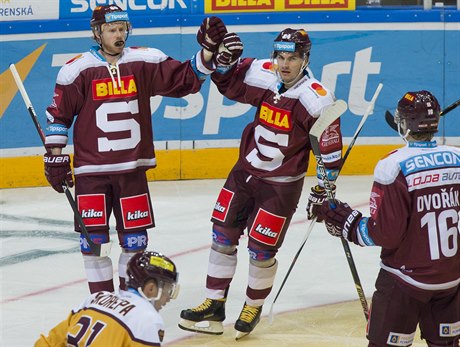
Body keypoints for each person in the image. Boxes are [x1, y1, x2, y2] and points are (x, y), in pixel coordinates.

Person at [42, 5, 227, 293]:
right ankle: (101, 302)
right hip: (91, 174)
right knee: (94, 245)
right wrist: (54, 158)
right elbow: (59, 116)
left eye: (122, 29)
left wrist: (207, 51)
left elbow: (184, 79)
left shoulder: (144, 60)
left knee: (135, 242)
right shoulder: (76, 69)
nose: (119, 35)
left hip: (132, 172)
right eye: (112, 30)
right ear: (97, 32)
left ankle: (128, 303)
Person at [179, 28, 343, 339]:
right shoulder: (265, 74)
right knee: (221, 236)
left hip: (280, 186)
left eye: (292, 58)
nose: (284, 64)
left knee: (261, 250)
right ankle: (214, 303)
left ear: (305, 59)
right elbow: (226, 83)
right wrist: (224, 62)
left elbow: (330, 154)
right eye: (280, 56)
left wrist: (323, 189)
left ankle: (252, 305)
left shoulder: (317, 99)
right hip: (244, 173)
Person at [316, 91, 460, 347]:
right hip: (451, 280)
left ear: (403, 122)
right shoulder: (457, 158)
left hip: (405, 282)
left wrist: (343, 220)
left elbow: (384, 234)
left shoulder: (393, 166)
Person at [35, 251, 179, 346]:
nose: (168, 298)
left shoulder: (94, 299)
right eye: (168, 290)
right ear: (151, 288)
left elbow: (46, 344)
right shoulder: (147, 319)